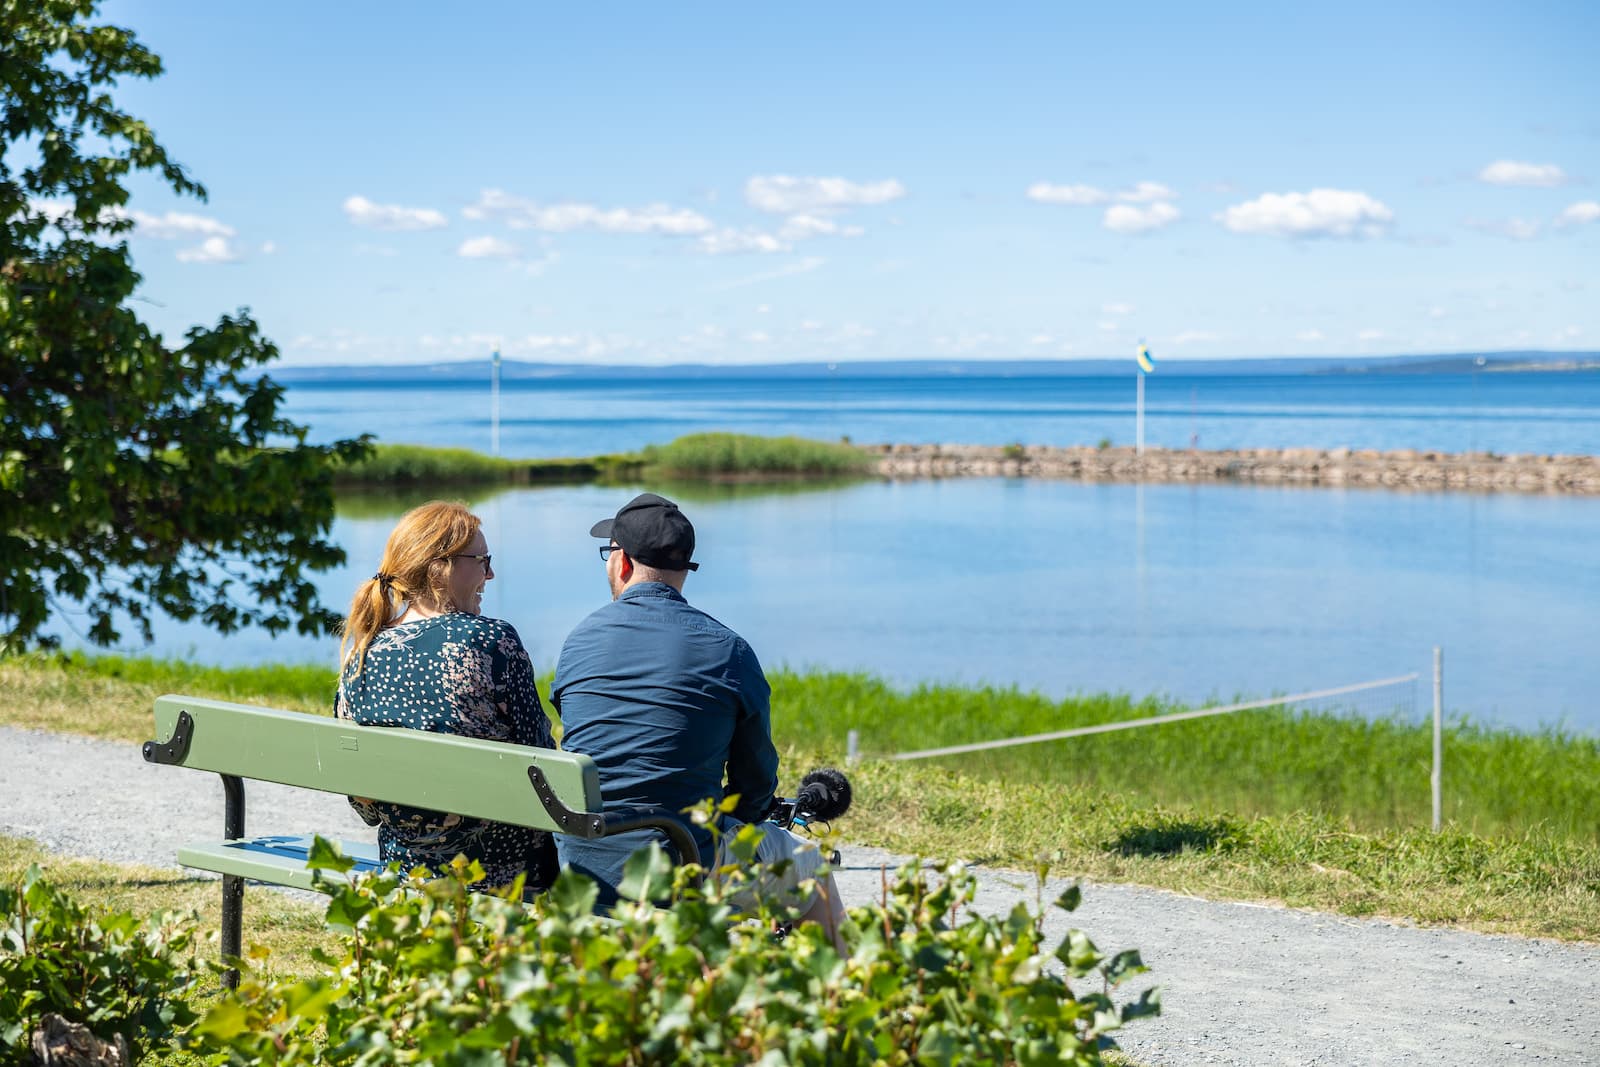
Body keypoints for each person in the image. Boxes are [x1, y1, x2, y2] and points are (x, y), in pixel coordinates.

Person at [552, 492, 846, 945]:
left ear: (623, 564)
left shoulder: (579, 641)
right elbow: (755, 784)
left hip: (584, 862)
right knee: (811, 867)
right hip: (683, 858)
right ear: (683, 569)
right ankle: (840, 1001)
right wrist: (742, 818)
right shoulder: (729, 651)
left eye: (607, 554)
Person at [334, 500, 557, 896]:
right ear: (441, 566)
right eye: (483, 560)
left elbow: (365, 806)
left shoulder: (361, 654)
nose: (491, 573)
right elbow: (542, 764)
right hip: (502, 874)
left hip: (405, 872)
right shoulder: (491, 641)